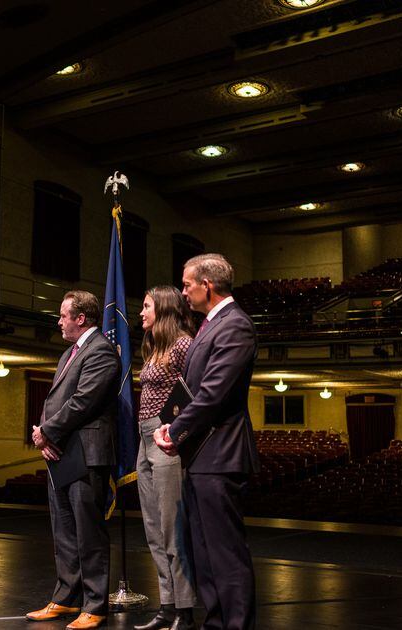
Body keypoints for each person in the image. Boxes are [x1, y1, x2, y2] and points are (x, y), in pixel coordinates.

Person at [155, 254, 260, 630]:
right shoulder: (209, 326)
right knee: (202, 551)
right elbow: (193, 390)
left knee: (225, 553)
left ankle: (235, 625)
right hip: (201, 455)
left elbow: (213, 394)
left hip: (221, 453)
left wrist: (174, 430)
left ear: (207, 286)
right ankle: (216, 622)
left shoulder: (236, 326)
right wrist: (174, 427)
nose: (182, 292)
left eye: (186, 285)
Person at [27, 290, 119, 630]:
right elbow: (56, 400)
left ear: (81, 318)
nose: (59, 321)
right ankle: (66, 598)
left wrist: (47, 432)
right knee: (63, 530)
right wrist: (45, 435)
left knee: (88, 532)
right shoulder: (70, 352)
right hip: (62, 452)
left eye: (64, 315)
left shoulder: (101, 352)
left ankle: (95, 604)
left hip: (87, 453)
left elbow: (84, 401)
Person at [134, 286, 197, 630]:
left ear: (164, 308)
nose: (141, 312)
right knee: (154, 531)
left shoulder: (183, 344)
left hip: (166, 440)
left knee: (173, 530)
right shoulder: (153, 346)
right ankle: (167, 606)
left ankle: (185, 611)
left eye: (146, 306)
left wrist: (175, 431)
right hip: (144, 441)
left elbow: (196, 394)